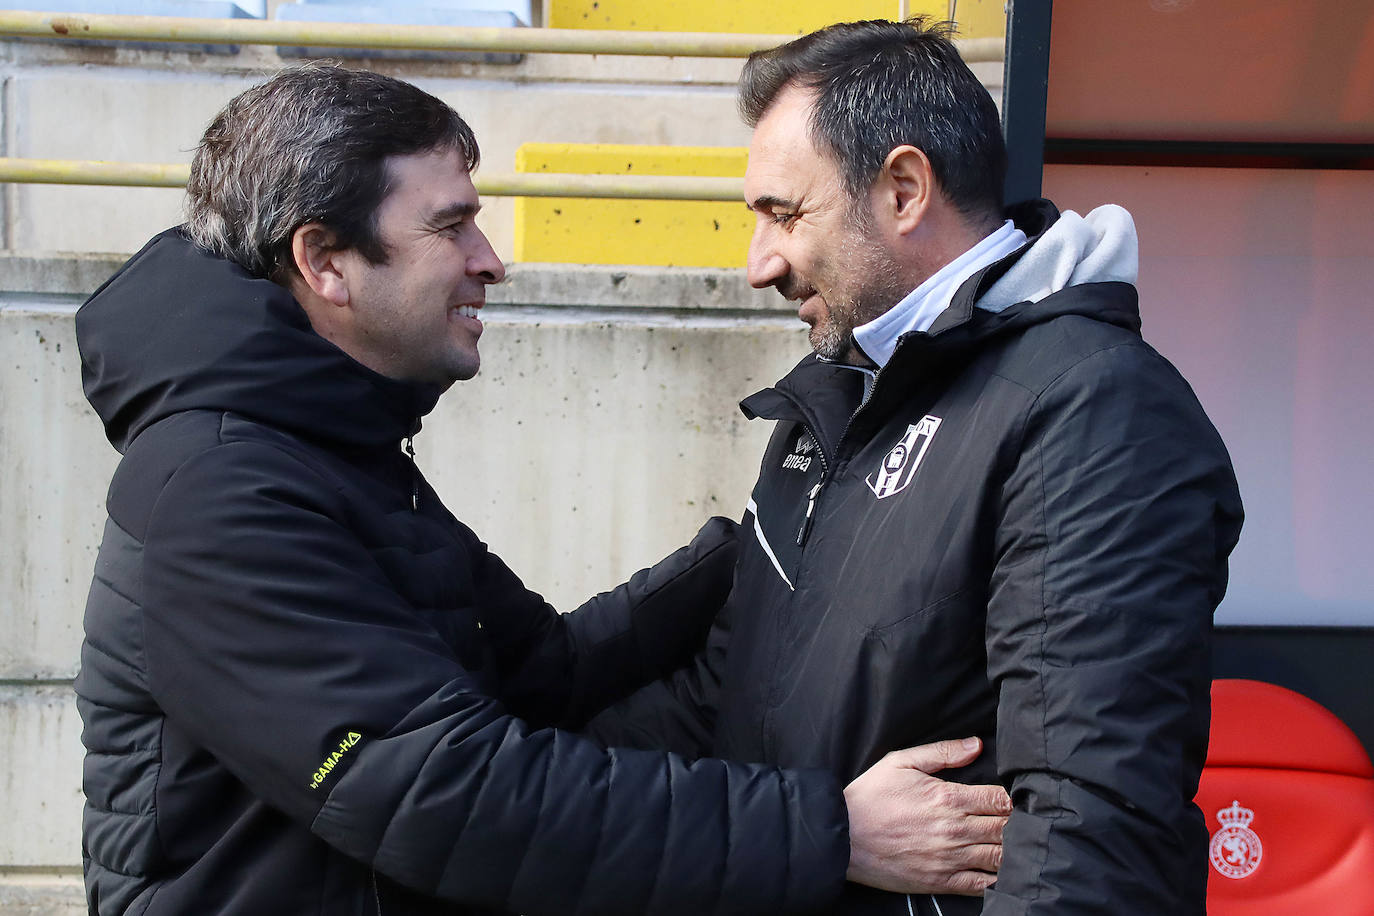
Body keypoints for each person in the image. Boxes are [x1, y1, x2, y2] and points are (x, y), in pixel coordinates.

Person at [73, 64, 1011, 916]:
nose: (490, 258)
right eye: (449, 225)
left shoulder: (330, 454)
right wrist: (832, 832)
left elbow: (541, 674)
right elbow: (450, 795)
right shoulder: (218, 494)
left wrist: (764, 543)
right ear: (324, 262)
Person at [589, 18, 1244, 916]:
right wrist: (515, 778)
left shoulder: (1092, 408)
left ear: (903, 189)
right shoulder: (837, 394)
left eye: (784, 214)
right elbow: (730, 696)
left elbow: (1092, 833)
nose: (758, 263)